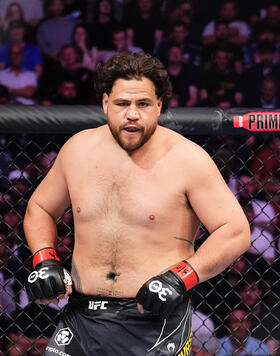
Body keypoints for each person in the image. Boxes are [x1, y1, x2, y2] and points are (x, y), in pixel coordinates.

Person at [24, 52, 250, 355]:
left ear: (159, 106)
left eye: (143, 104)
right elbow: (40, 208)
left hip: (154, 321)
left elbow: (234, 230)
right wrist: (45, 258)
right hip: (80, 317)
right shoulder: (78, 150)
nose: (132, 114)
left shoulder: (188, 159)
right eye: (122, 104)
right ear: (106, 103)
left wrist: (180, 277)